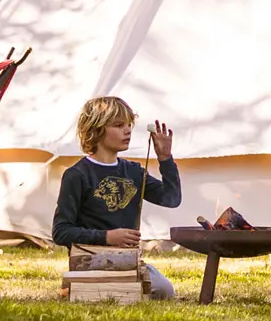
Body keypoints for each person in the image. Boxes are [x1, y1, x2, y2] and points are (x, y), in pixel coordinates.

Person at [52, 96, 181, 299]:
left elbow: (171, 198)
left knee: (164, 290)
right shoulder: (77, 175)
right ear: (96, 129)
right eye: (119, 125)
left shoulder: (134, 172)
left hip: (127, 261)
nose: (128, 130)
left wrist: (165, 159)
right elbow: (61, 232)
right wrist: (107, 237)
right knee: (112, 293)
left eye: (129, 125)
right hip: (91, 261)